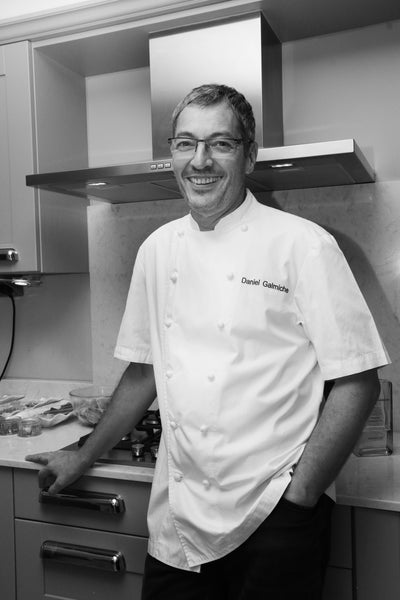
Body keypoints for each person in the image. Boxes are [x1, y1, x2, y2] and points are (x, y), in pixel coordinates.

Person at [27, 83, 390, 599]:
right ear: (172, 154)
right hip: (179, 515)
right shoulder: (156, 250)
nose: (200, 160)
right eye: (186, 143)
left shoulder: (303, 245)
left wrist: (302, 493)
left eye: (220, 143)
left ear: (249, 155)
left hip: (275, 513)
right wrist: (83, 455)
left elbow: (358, 381)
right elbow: (145, 372)